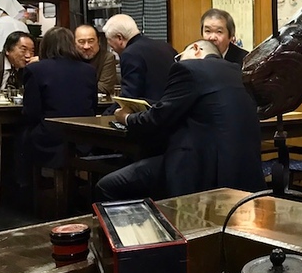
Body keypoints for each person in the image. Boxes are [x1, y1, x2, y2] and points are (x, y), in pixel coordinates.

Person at [95, 39, 265, 201]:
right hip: (244, 170)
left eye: (179, 57)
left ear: (196, 49)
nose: (177, 62)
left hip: (198, 168)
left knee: (107, 186)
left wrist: (126, 117)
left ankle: (146, 228)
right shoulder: (238, 72)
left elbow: (156, 120)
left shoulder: (189, 68)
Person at [22, 27, 97, 169]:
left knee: (20, 136)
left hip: (50, 138)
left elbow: (31, 111)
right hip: (83, 137)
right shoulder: (89, 70)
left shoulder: (36, 69)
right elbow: (93, 105)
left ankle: (23, 187)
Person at [102, 14, 176, 104]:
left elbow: (130, 97)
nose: (112, 49)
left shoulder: (130, 54)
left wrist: (106, 115)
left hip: (151, 112)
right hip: (174, 109)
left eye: (110, 43)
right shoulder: (165, 46)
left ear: (119, 38)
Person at [74, 24, 117, 96]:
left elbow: (105, 87)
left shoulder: (107, 58)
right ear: (74, 43)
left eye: (91, 41)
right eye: (81, 42)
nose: (86, 46)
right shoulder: (71, 58)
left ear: (98, 41)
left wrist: (74, 87)